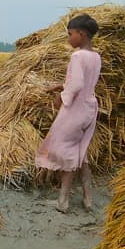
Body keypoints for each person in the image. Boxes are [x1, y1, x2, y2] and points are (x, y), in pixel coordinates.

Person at [35, 14, 101, 213]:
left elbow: (77, 84)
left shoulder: (77, 56)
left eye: (70, 34)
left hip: (75, 109)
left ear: (81, 34)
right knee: (82, 151)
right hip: (90, 107)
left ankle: (63, 202)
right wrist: (58, 86)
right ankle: (88, 199)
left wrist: (61, 98)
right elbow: (84, 81)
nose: (68, 38)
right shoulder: (95, 56)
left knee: (66, 151)